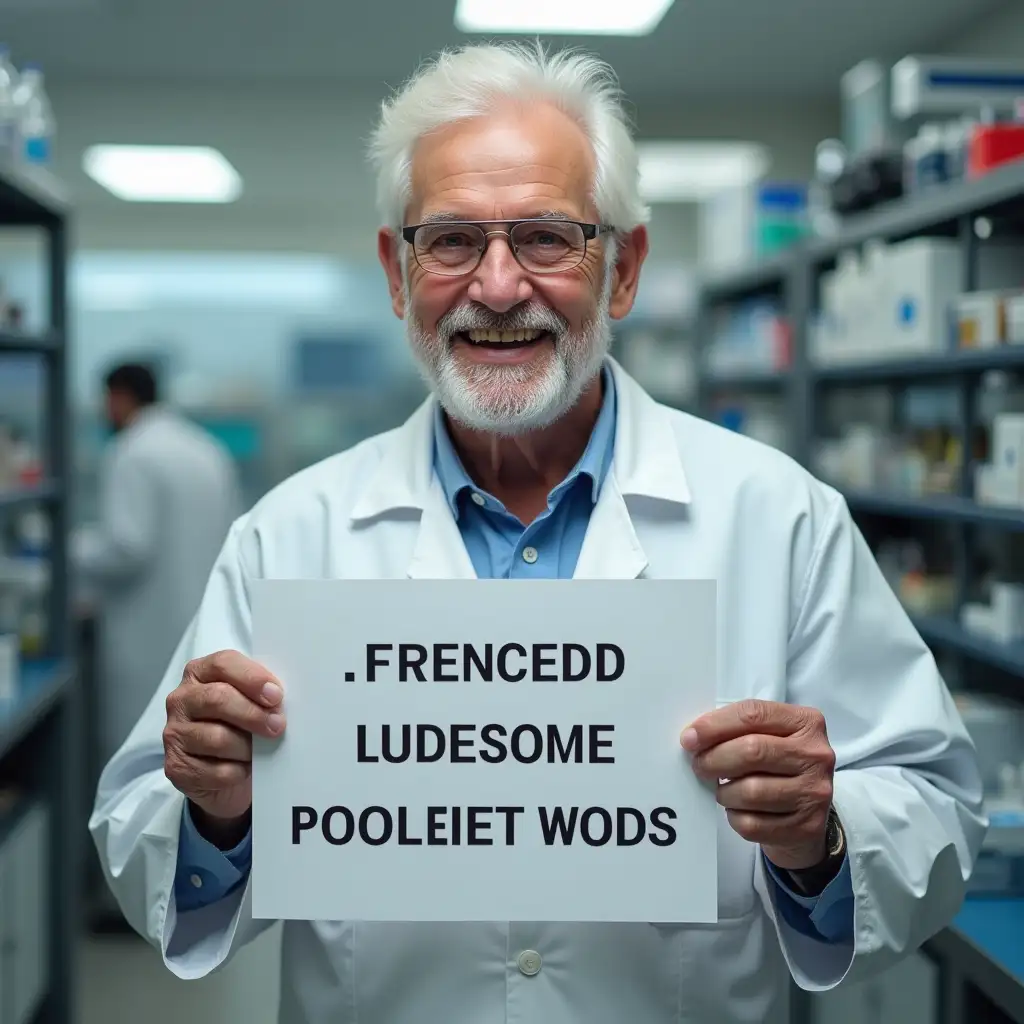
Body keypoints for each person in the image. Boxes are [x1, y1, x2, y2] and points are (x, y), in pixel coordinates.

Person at [89, 44, 985, 1024]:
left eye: (548, 238)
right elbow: (141, 846)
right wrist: (218, 808)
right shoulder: (291, 535)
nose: (500, 285)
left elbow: (935, 808)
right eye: (453, 241)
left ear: (626, 269)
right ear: (397, 273)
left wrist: (823, 833)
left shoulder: (779, 517)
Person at [75, 362, 241, 766]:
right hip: (203, 629)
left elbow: (127, 547)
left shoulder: (131, 451)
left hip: (144, 638)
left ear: (119, 397)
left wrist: (68, 548)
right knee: (196, 757)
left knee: (137, 757)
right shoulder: (204, 447)